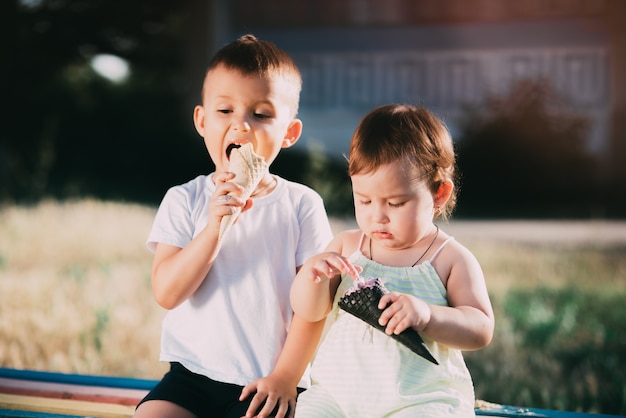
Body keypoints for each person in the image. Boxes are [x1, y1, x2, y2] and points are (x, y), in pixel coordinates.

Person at [134, 34, 333, 418]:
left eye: (260, 114)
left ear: (289, 132)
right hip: (191, 375)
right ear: (202, 121)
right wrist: (214, 229)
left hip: (267, 381)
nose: (241, 126)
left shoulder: (301, 205)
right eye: (225, 111)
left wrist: (287, 378)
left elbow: (314, 310)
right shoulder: (184, 200)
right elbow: (167, 293)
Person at [290, 104, 495, 417]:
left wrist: (427, 316)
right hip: (338, 398)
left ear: (438, 194)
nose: (377, 216)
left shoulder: (449, 258)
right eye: (364, 200)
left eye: (396, 203)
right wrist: (312, 277)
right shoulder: (348, 246)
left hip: (419, 399)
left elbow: (480, 328)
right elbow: (309, 310)